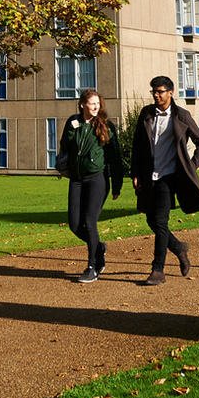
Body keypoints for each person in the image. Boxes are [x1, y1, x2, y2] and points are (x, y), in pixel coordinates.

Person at [130, 75, 199, 285]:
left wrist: (190, 167)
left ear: (171, 92)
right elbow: (137, 146)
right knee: (151, 220)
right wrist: (135, 173)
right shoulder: (146, 114)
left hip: (168, 177)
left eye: (160, 92)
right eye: (154, 92)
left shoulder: (182, 116)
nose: (157, 95)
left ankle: (158, 270)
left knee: (161, 221)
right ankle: (179, 248)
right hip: (149, 177)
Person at [58, 88, 123, 283]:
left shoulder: (106, 126)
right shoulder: (72, 122)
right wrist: (63, 165)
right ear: (82, 105)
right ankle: (99, 247)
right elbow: (65, 147)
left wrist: (117, 185)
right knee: (74, 224)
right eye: (91, 103)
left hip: (97, 179)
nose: (95, 106)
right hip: (77, 179)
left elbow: (115, 158)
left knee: (89, 221)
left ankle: (93, 266)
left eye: (97, 103)